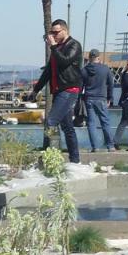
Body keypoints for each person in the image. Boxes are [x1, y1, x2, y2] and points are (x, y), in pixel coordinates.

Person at [26, 19, 84, 164]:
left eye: (56, 32)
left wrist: (53, 46)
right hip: (59, 90)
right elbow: (48, 71)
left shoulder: (74, 45)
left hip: (69, 89)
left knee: (51, 121)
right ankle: (75, 160)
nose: (53, 35)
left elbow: (65, 61)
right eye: (51, 32)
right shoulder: (57, 48)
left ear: (65, 31)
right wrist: (36, 89)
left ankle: (49, 158)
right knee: (67, 127)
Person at [80, 49, 116, 152]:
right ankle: (110, 146)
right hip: (102, 98)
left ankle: (95, 147)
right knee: (105, 122)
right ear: (98, 57)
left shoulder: (84, 70)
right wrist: (110, 98)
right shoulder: (105, 69)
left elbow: (80, 86)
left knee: (91, 123)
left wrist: (80, 98)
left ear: (90, 58)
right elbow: (111, 84)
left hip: (89, 98)